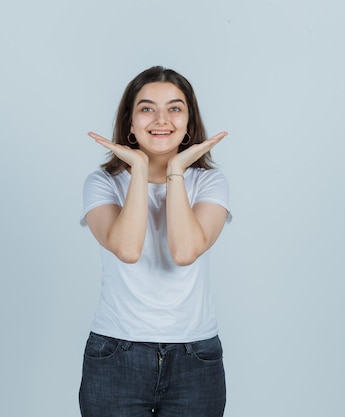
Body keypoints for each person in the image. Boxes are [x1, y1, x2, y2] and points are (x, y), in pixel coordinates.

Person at [78, 66, 232, 417]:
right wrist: (140, 170)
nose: (161, 119)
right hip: (116, 354)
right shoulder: (102, 183)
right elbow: (127, 249)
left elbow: (185, 251)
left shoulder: (209, 183)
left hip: (196, 356)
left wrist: (175, 170)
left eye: (175, 108)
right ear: (130, 123)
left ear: (189, 123)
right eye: (147, 108)